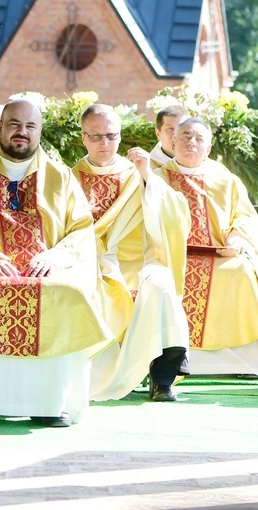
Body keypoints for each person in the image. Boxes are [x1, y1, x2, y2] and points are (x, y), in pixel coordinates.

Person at [0, 99, 113, 427]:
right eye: (14, 125)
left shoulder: (61, 177)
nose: (21, 133)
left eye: (30, 126)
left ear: (40, 131)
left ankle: (51, 402)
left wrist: (54, 257)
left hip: (49, 265)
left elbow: (82, 231)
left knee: (69, 291)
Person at [74, 104, 191, 402]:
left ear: (120, 135)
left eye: (111, 136)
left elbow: (176, 214)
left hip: (137, 262)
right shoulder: (68, 178)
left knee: (162, 284)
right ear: (83, 137)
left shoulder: (135, 173)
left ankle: (162, 379)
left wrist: (149, 179)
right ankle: (80, 376)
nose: (105, 143)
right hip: (87, 261)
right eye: (97, 136)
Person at [152, 117, 258, 376]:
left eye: (200, 139)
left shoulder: (225, 180)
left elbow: (244, 215)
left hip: (220, 255)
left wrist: (236, 239)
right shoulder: (155, 179)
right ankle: (170, 360)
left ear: (208, 149)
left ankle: (243, 359)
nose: (192, 142)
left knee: (242, 272)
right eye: (186, 136)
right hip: (168, 256)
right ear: (173, 142)